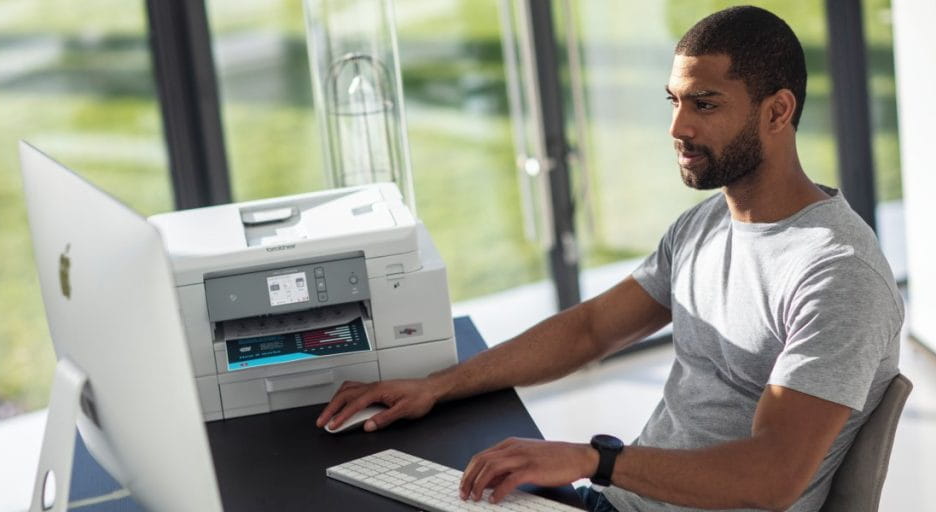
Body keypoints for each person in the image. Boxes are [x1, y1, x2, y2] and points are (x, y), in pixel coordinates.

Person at [316, 6, 902, 511]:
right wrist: (436, 387)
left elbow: (772, 476)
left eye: (704, 103)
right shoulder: (703, 226)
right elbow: (591, 329)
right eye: (673, 101)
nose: (678, 126)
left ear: (777, 112)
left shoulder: (838, 273)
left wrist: (592, 459)